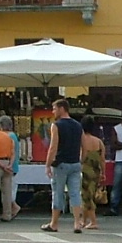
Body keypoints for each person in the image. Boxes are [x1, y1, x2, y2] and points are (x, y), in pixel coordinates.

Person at [43, 98, 85, 233]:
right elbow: (84, 146)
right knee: (75, 193)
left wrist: (48, 164)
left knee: (58, 193)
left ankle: (54, 223)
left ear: (62, 109)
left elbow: (53, 146)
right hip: (75, 163)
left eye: (54, 108)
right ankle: (77, 223)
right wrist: (81, 160)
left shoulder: (56, 125)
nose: (53, 111)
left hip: (61, 163)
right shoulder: (78, 125)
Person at [79, 115, 107, 230]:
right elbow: (102, 159)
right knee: (89, 195)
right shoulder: (99, 142)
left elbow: (81, 155)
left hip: (85, 170)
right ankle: (84, 220)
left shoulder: (81, 140)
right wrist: (103, 173)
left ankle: (93, 221)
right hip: (95, 171)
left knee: (86, 196)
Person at [0, 116, 22, 221]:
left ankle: (14, 206)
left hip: (10, 164)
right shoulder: (13, 135)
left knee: (8, 188)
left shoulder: (9, 136)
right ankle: (11, 207)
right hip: (13, 164)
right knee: (8, 188)